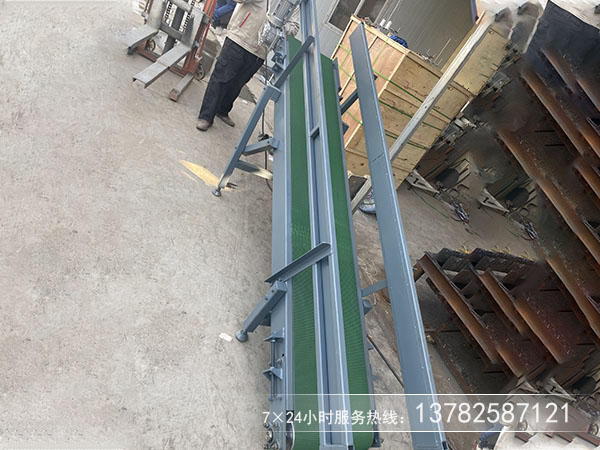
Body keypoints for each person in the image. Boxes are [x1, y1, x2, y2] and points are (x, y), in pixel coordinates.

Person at [196, 0, 299, 132]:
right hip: (239, 38)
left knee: (238, 83)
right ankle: (206, 116)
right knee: (221, 77)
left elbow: (294, 27)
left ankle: (223, 110)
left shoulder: (293, 3)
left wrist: (279, 25)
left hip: (260, 51)